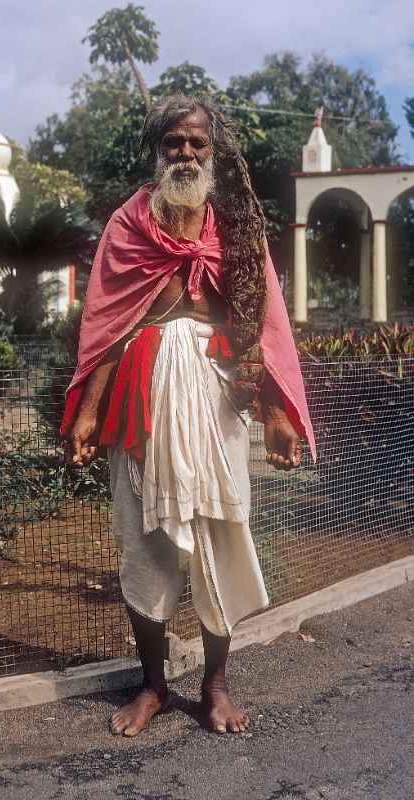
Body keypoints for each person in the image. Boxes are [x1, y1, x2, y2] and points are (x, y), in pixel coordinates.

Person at [61, 94, 315, 738]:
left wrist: (277, 414)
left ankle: (217, 685)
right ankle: (152, 686)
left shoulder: (235, 226)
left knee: (221, 537)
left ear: (215, 151)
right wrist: (89, 410)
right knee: (143, 546)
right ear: (158, 149)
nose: (186, 154)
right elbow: (107, 328)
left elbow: (264, 329)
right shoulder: (129, 224)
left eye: (197, 144)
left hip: (217, 398)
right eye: (174, 143)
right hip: (137, 407)